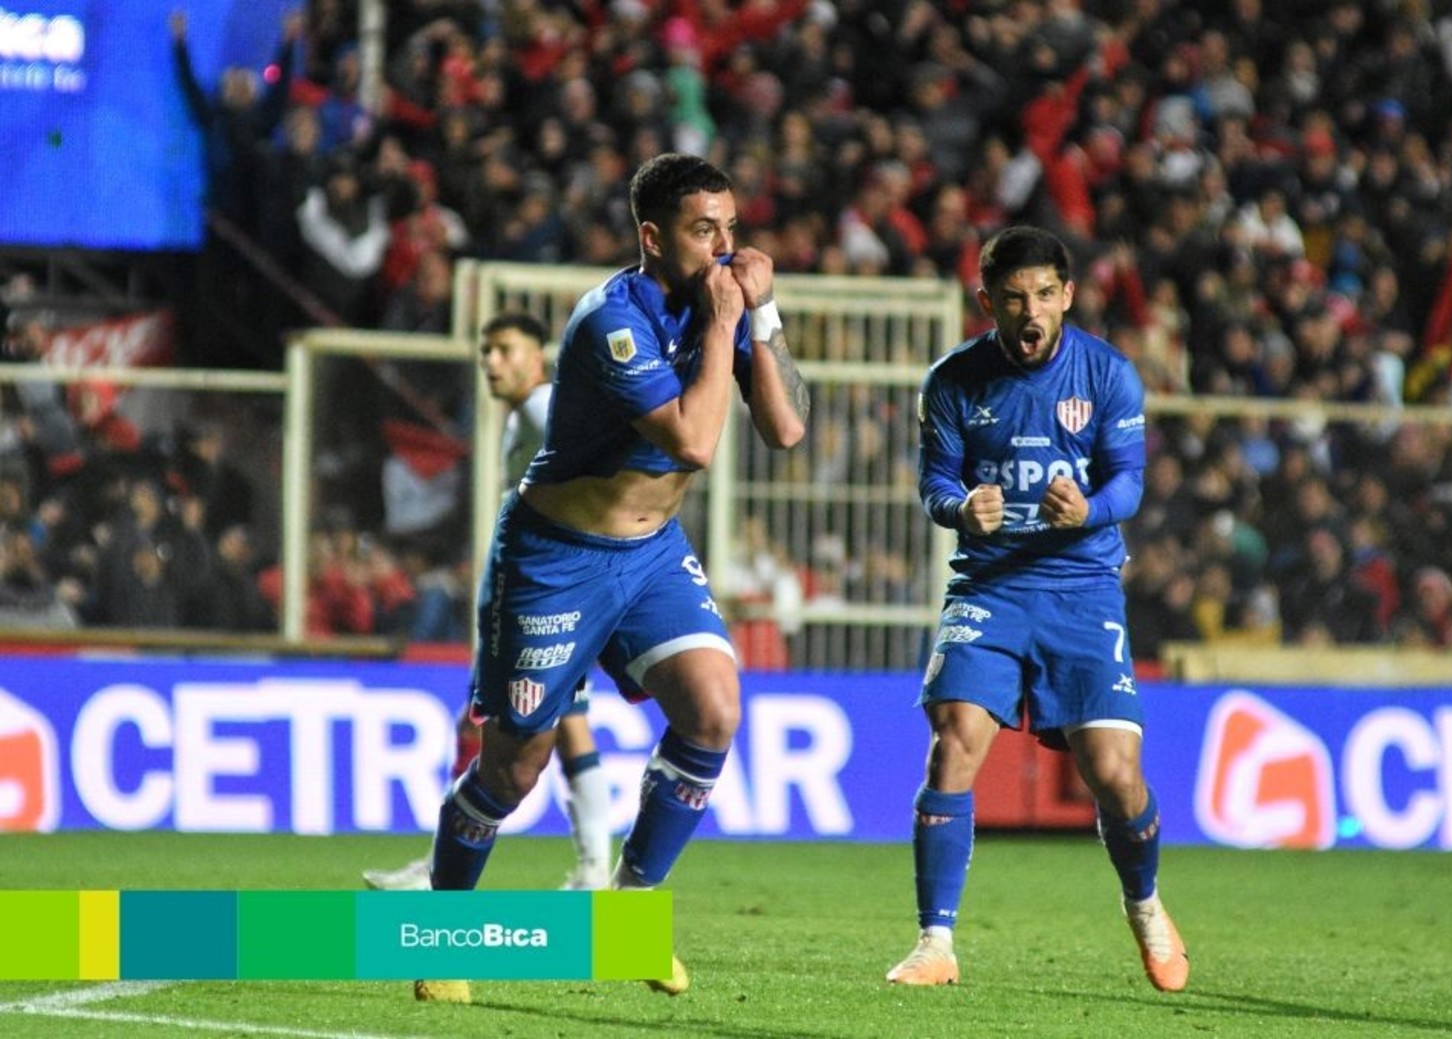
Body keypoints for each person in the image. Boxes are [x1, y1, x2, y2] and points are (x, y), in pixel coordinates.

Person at [415, 153, 809, 1004]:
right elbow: (694, 442)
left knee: (713, 705)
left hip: (652, 552)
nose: (724, 247)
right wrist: (723, 321)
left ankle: (626, 917)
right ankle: (440, 935)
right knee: (511, 772)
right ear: (651, 236)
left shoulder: (726, 301)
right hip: (557, 558)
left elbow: (783, 428)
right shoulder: (611, 320)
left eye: (731, 228)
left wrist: (764, 314)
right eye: (705, 231)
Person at [886, 227, 1188, 993]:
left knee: (1115, 775)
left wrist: (1086, 508)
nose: (1030, 311)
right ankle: (934, 941)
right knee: (953, 741)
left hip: (1081, 588)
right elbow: (934, 484)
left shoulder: (1108, 374)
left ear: (1067, 296)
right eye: (1013, 297)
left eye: (1044, 295)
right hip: (988, 586)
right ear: (986, 301)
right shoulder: (952, 380)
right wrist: (962, 507)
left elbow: (1128, 484)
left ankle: (1144, 902)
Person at [363, 312, 616, 893]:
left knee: (502, 728)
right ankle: (592, 869)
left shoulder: (542, 407)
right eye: (486, 352)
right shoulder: (518, 419)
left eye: (504, 350)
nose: (492, 362)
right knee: (552, 727)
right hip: (542, 592)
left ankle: (444, 872)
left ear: (537, 356)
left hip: (551, 595)